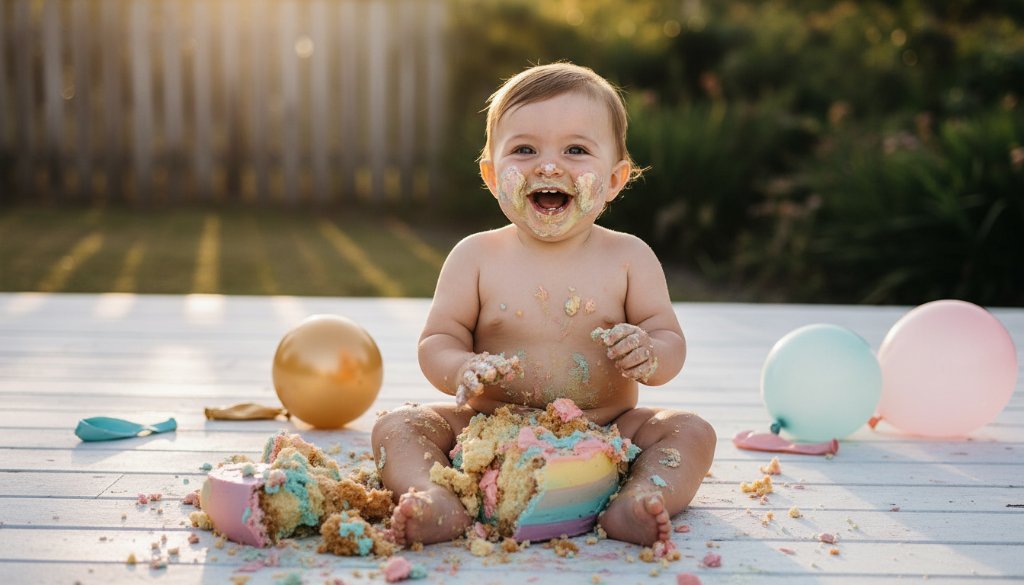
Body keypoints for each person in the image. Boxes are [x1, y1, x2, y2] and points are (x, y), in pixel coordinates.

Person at [371, 62, 716, 547]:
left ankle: (639, 498)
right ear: (492, 175)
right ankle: (435, 496)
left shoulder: (629, 258)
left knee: (690, 431)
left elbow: (669, 341)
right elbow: (438, 340)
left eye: (576, 150)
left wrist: (650, 352)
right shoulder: (475, 257)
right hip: (486, 431)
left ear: (614, 179)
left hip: (606, 433)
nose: (549, 167)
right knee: (398, 425)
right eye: (525, 149)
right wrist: (462, 368)